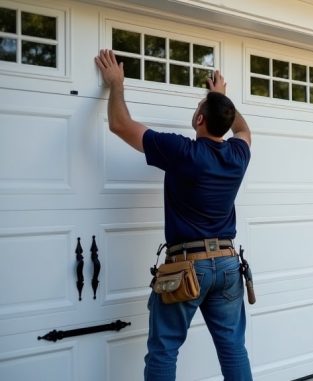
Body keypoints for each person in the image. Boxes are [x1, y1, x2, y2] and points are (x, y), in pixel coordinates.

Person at [95, 49, 253, 381]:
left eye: (199, 107)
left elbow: (119, 125)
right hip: (227, 264)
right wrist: (220, 98)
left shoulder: (184, 151)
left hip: (187, 266)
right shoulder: (238, 155)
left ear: (199, 120)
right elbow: (243, 130)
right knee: (234, 349)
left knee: (164, 350)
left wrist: (116, 83)